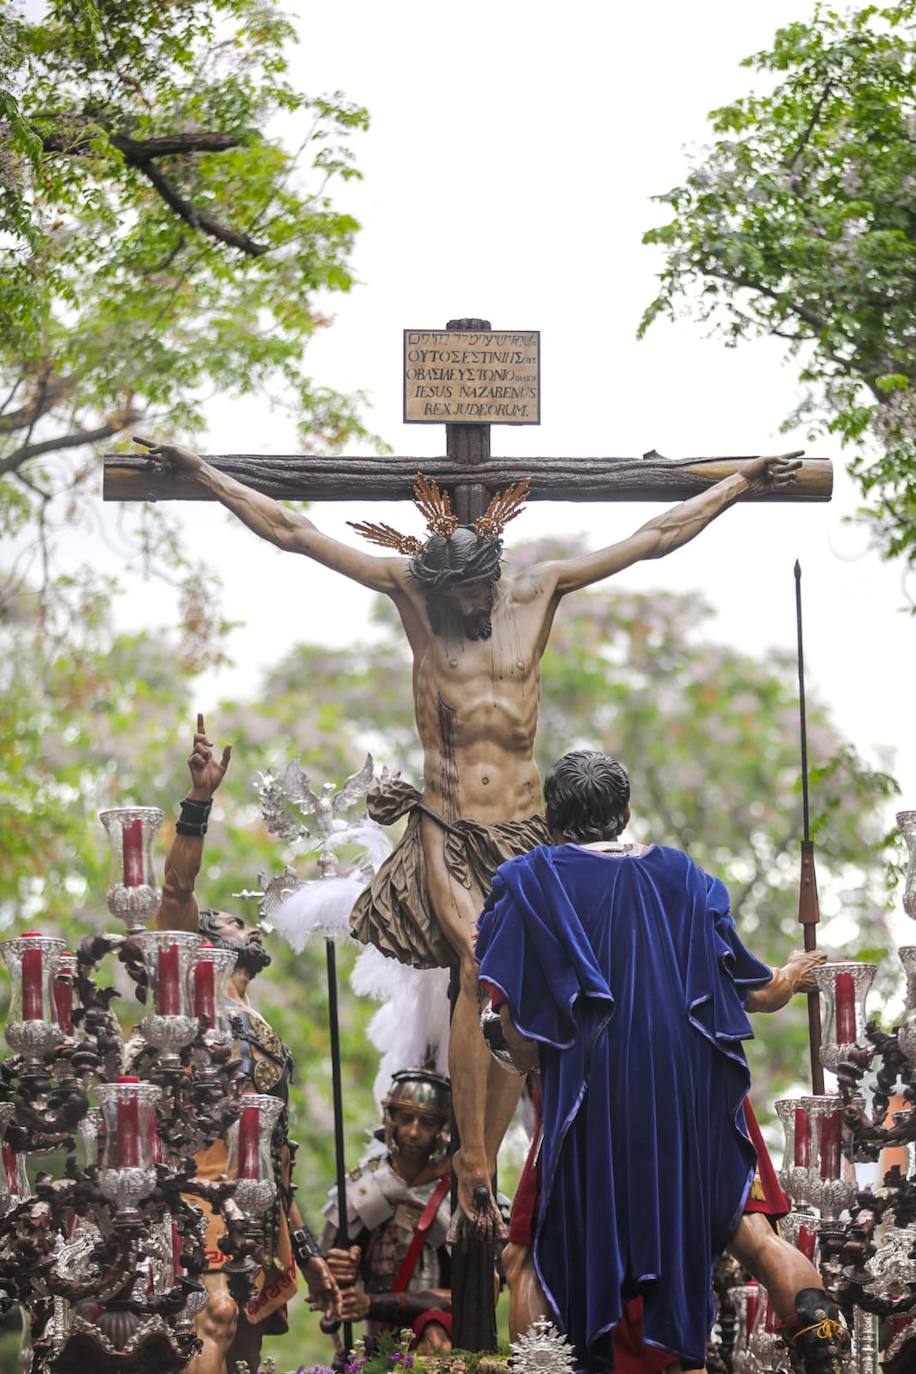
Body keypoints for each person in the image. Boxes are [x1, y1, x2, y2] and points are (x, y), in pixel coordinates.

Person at [136, 435, 802, 1230]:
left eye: (481, 599)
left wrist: (737, 482)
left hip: (526, 831)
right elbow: (291, 531)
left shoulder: (542, 589)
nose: (472, 613)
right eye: (459, 605)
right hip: (447, 827)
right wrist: (206, 473)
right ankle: (475, 1158)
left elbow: (652, 539)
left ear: (496, 576)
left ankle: (505, 1148)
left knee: (530, 981)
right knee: (479, 959)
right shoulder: (414, 597)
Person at [477, 750, 849, 1374]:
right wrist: (792, 973)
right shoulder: (686, 875)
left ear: (550, 821)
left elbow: (519, 1043)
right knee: (756, 1238)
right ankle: (829, 1356)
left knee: (531, 1255)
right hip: (692, 1101)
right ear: (624, 813)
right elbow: (757, 993)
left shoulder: (528, 880)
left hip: (589, 1109)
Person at [156, 716, 339, 1374]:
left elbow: (277, 1148)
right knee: (218, 1319)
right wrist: (198, 803)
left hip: (261, 1212)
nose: (251, 922)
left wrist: (309, 1252)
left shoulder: (264, 1028)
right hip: (196, 1199)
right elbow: (176, 889)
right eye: (236, 920)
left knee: (250, 1349)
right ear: (205, 943)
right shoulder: (187, 992)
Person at [321, 1069, 454, 1355]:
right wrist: (341, 1272)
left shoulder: (460, 1196)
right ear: (390, 1118)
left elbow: (475, 1298)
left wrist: (373, 1303)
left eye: (426, 1122)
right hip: (376, 1342)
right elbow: (324, 1292)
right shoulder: (360, 1188)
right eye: (406, 1118)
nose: (413, 1132)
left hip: (437, 1336)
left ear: (441, 1128)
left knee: (434, 1335)